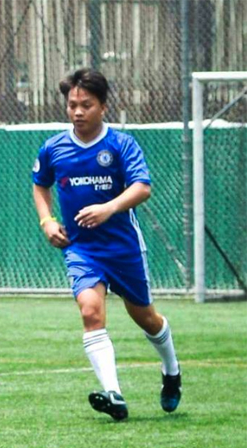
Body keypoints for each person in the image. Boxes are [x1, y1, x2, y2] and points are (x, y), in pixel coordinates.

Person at [31, 68, 182, 421]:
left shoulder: (121, 145)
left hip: (123, 247)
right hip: (81, 249)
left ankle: (171, 371)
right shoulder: (54, 148)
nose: (78, 112)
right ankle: (114, 395)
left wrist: (108, 208)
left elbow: (142, 187)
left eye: (86, 104)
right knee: (90, 311)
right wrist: (47, 221)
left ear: (103, 106)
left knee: (145, 318)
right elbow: (40, 185)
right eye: (72, 105)